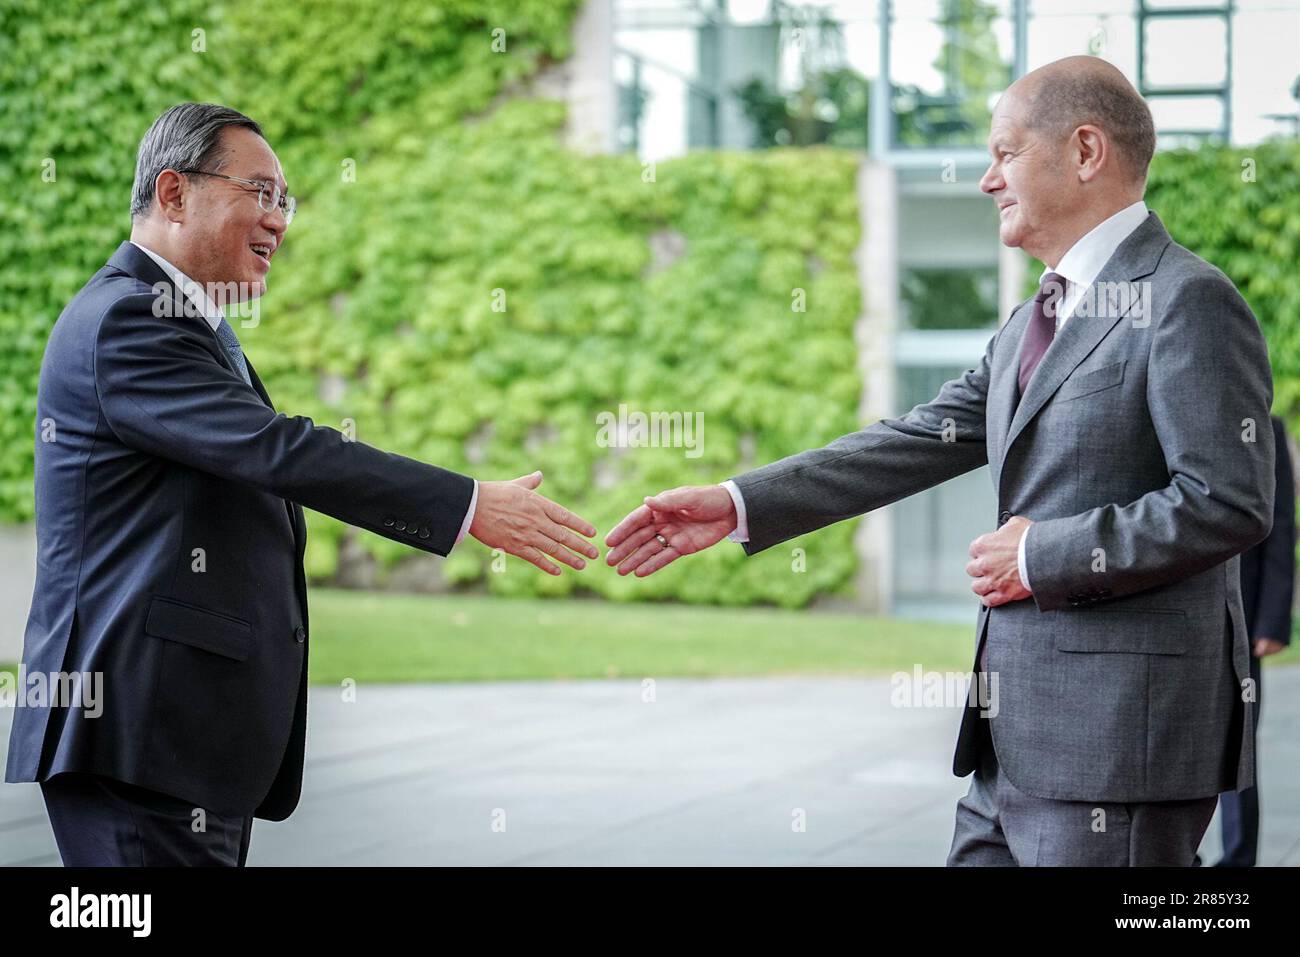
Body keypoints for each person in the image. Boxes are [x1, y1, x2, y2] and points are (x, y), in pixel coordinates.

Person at [605, 56, 1275, 866]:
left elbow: (1228, 500)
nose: (988, 179)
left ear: (1086, 151)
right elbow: (916, 439)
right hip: (1006, 746)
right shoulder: (1034, 316)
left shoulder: (1186, 298)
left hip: (1115, 752)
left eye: (1006, 152)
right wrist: (739, 501)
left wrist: (1039, 553)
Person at [4, 103, 599, 866]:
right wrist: (468, 505)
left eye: (285, 201)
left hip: (183, 744)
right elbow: (281, 450)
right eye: (260, 191)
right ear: (174, 192)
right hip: (137, 736)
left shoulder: (188, 326)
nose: (279, 220)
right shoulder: (127, 320)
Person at [1217, 414, 1294, 866]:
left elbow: (1281, 524)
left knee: (1238, 747)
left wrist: (1272, 620)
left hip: (1245, 619)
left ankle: (1239, 858)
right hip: (1176, 621)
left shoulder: (1266, 427)